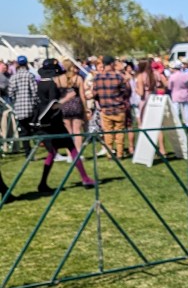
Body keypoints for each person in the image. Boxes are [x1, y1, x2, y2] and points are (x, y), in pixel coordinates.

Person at [35, 59, 94, 192]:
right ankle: (85, 178)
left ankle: (43, 183)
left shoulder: (39, 84)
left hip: (46, 123)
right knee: (72, 148)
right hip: (54, 123)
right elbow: (53, 105)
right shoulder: (51, 85)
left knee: (52, 152)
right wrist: (68, 98)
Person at [93, 55, 131, 158]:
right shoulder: (118, 77)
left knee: (108, 132)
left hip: (105, 109)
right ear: (112, 64)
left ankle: (109, 153)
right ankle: (119, 153)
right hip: (119, 108)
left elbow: (94, 94)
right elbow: (126, 92)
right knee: (119, 132)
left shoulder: (97, 77)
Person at [7, 55, 38, 151]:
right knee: (33, 128)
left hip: (19, 108)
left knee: (24, 131)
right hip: (30, 107)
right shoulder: (30, 75)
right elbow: (34, 91)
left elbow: (10, 93)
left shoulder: (13, 77)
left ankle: (27, 152)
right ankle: (37, 146)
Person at [168, 61, 188, 128]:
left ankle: (176, 123)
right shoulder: (186, 75)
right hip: (185, 94)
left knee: (175, 109)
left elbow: (169, 87)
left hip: (175, 94)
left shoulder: (172, 76)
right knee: (187, 109)